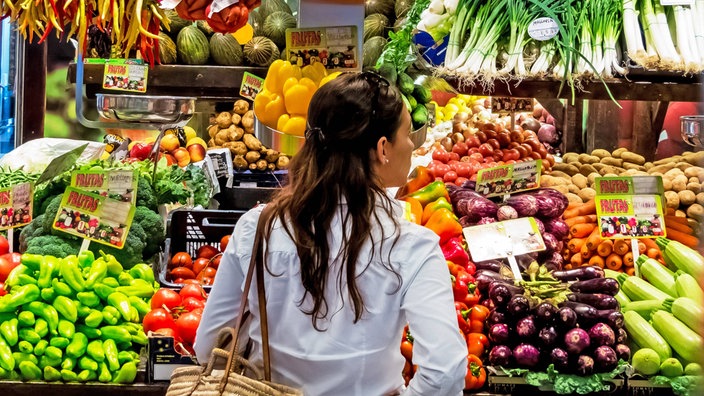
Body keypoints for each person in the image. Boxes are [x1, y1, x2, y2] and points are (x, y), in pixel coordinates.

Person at [194, 71, 467, 395]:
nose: (411, 144)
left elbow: (209, 345)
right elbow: (445, 370)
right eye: (408, 134)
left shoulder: (258, 228)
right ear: (383, 148)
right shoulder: (412, 248)